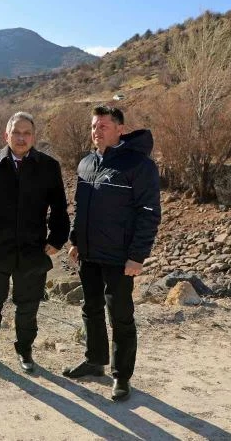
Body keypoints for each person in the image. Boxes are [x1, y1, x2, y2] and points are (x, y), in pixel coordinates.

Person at [63, 105, 161, 401]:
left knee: (120, 315)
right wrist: (75, 240)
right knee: (90, 309)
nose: (97, 131)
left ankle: (122, 376)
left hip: (120, 257)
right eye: (94, 126)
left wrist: (137, 256)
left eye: (103, 126)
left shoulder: (138, 165)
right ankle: (95, 361)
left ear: (120, 129)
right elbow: (81, 208)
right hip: (89, 254)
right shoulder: (86, 163)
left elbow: (149, 213)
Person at [0, 112, 70, 374]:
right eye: (16, 133)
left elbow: (59, 208)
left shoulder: (48, 166)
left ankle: (25, 351)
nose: (21, 138)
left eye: (27, 133)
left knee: (28, 306)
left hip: (32, 249)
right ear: (6, 135)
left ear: (34, 137)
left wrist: (57, 239)